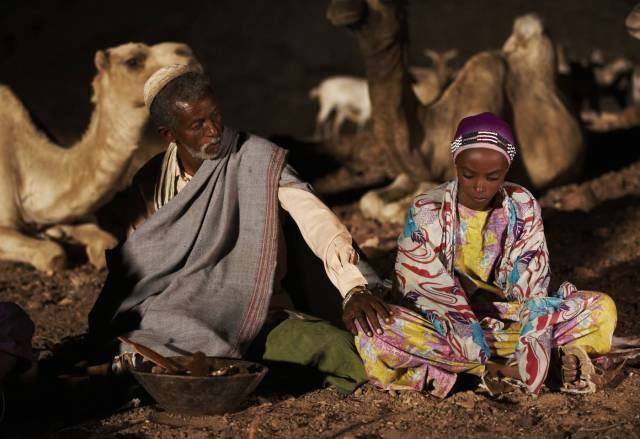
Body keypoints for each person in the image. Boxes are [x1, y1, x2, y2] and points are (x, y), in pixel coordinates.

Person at [88, 64, 388, 393]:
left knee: (341, 352)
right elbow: (142, 264)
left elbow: (314, 217)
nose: (214, 131)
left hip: (256, 314)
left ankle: (187, 368)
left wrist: (354, 287)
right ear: (169, 134)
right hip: (177, 313)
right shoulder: (151, 181)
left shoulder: (257, 159)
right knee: (130, 344)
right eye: (197, 124)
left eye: (215, 116)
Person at [350, 112, 618, 397]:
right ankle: (501, 369)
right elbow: (419, 290)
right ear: (456, 164)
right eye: (469, 174)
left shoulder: (522, 204)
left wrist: (531, 335)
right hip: (440, 321)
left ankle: (473, 369)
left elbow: (533, 288)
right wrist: (471, 336)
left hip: (506, 320)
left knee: (602, 309)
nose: (480, 186)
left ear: (507, 169)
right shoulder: (426, 209)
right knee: (376, 334)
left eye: (493, 177)